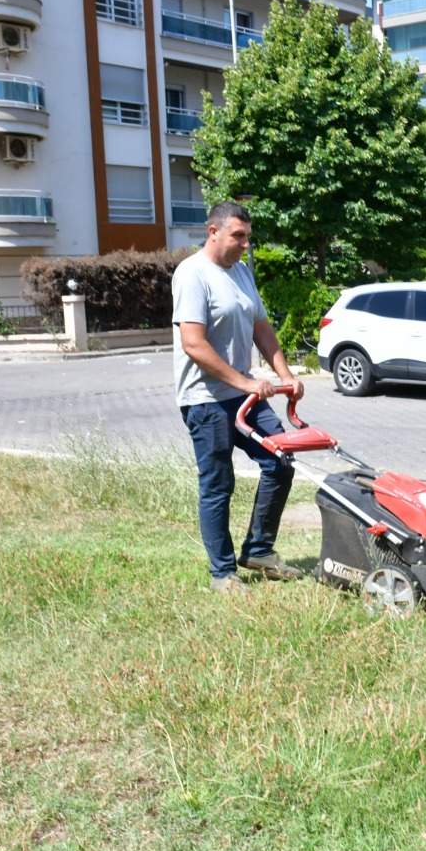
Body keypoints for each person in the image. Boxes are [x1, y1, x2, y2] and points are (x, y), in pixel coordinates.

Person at [172, 200, 305, 594]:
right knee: (218, 483)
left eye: (248, 236)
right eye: (238, 236)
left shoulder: (242, 272)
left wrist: (285, 375)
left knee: (280, 461)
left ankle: (259, 551)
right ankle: (223, 574)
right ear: (213, 232)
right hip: (205, 399)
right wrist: (245, 383)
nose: (246, 244)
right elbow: (193, 344)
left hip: (242, 395)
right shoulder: (193, 274)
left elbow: (260, 327)